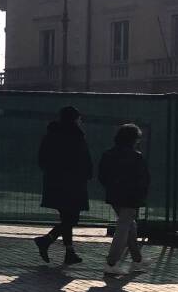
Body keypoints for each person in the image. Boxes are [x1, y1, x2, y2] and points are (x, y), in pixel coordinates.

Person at [34, 106, 92, 265]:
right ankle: (46, 240)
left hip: (55, 183)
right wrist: (87, 175)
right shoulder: (77, 136)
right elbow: (84, 160)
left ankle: (69, 251)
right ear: (75, 119)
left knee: (66, 217)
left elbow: (42, 159)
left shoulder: (51, 135)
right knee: (71, 218)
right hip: (73, 184)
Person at [98, 123, 151, 275]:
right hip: (131, 197)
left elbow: (102, 176)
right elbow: (143, 179)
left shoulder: (108, 154)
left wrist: (112, 187)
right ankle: (111, 262)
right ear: (134, 139)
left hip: (115, 195)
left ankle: (137, 260)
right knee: (124, 228)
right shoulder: (136, 156)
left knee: (129, 227)